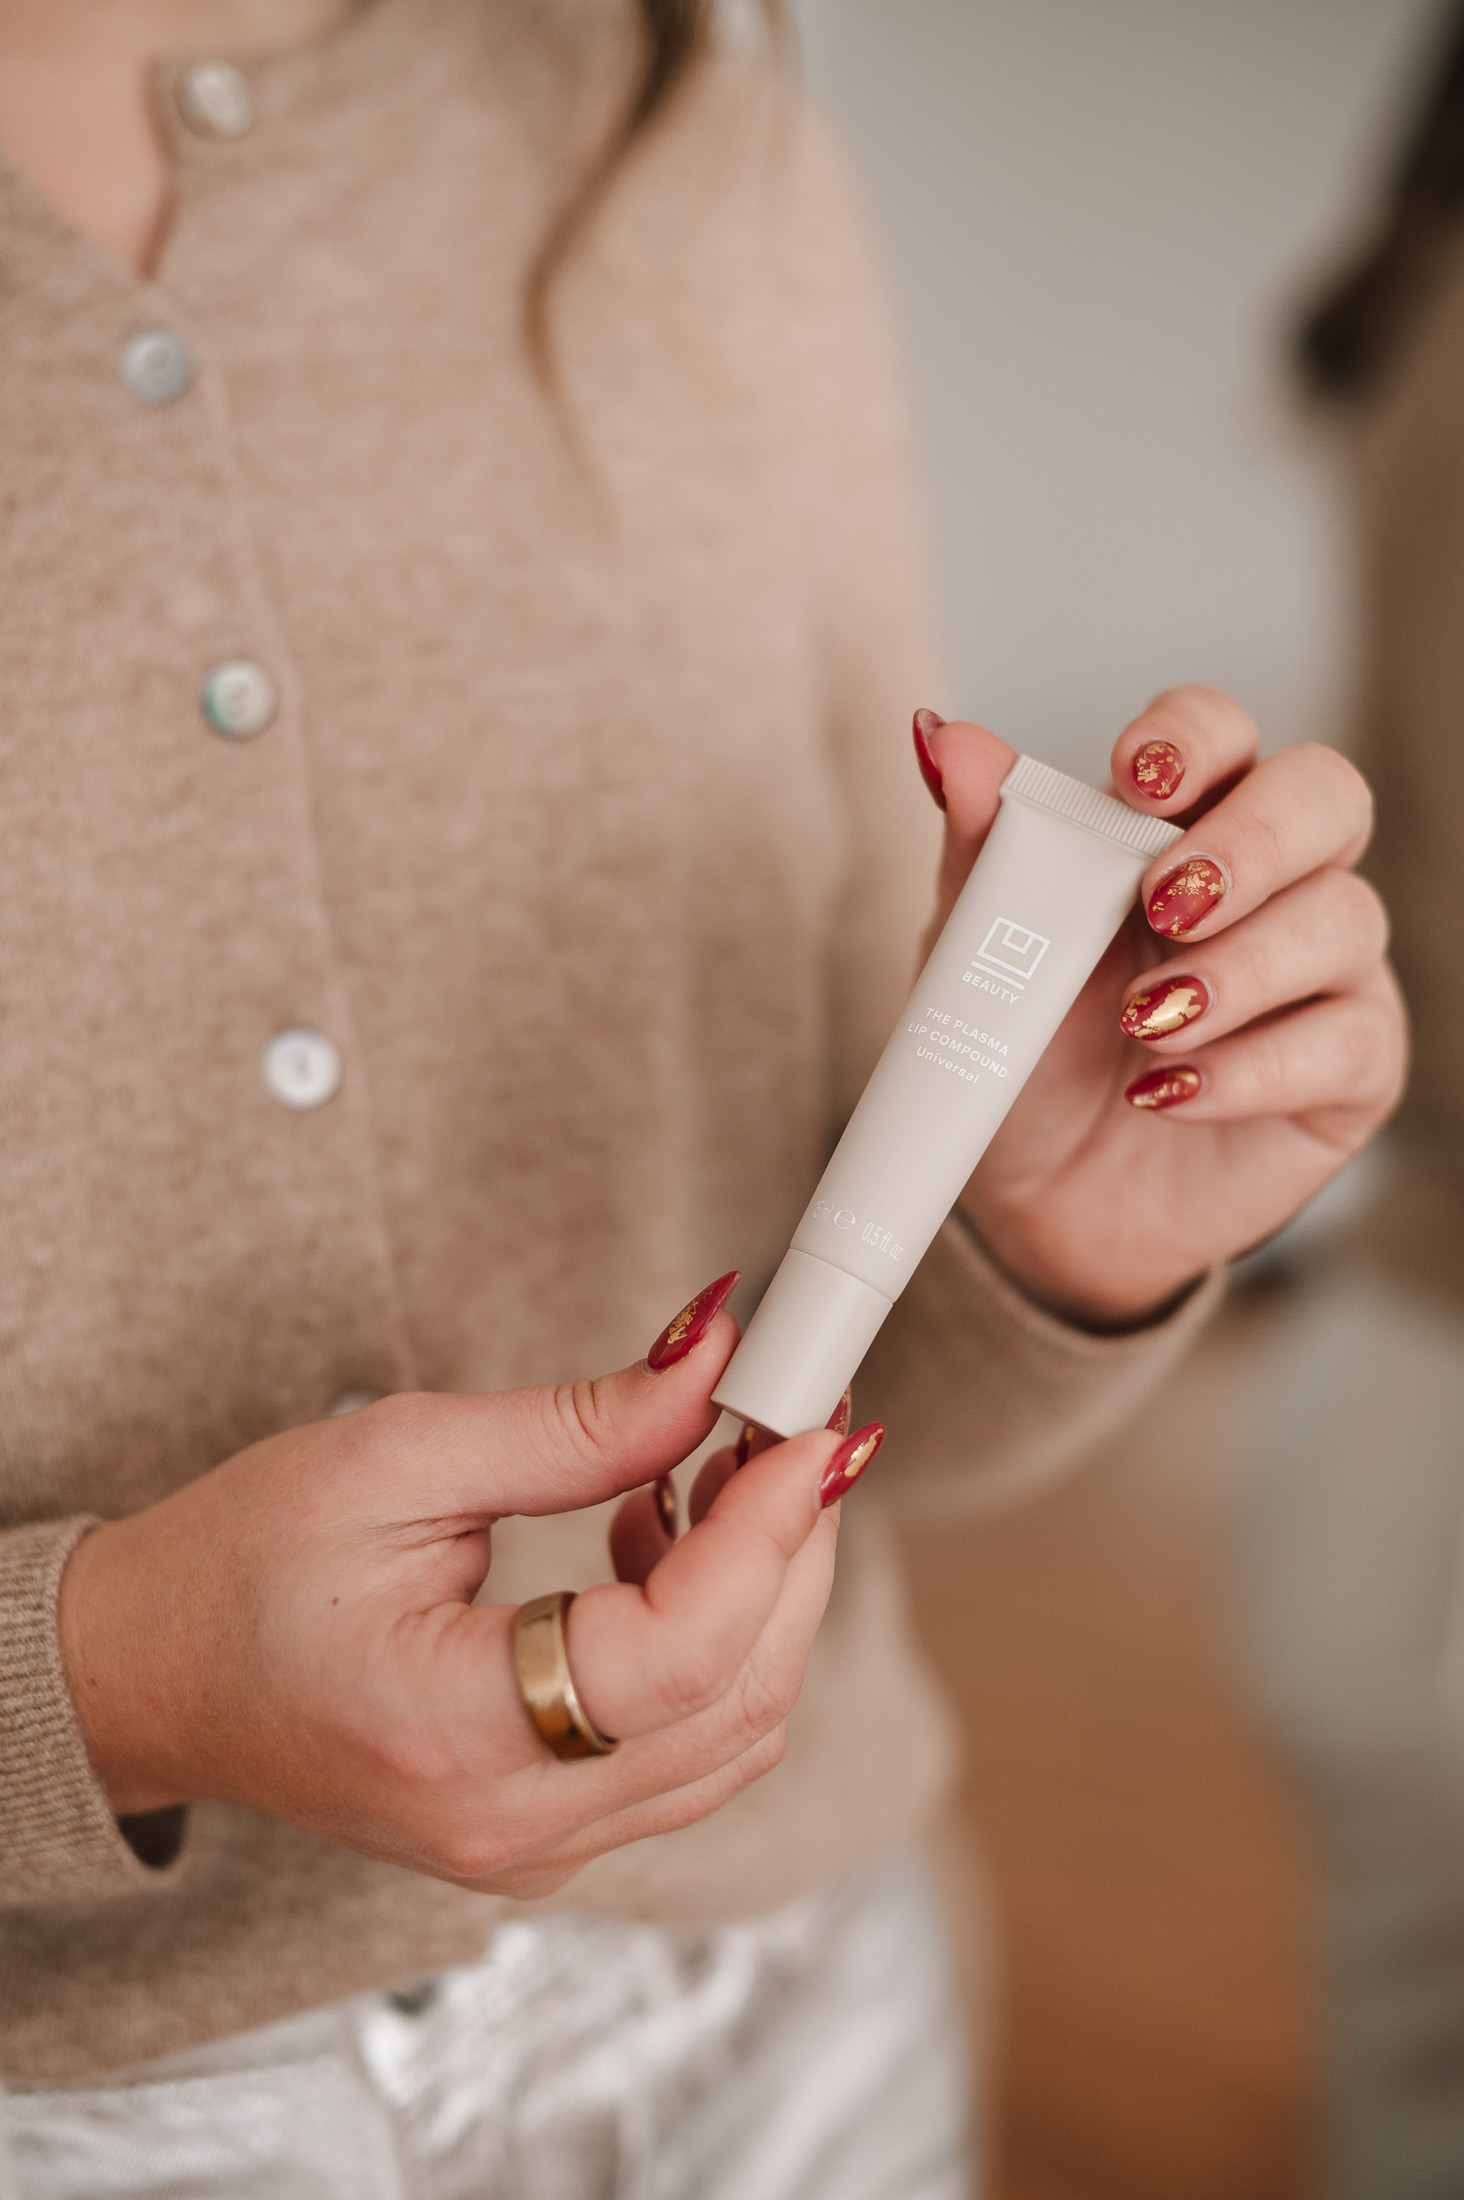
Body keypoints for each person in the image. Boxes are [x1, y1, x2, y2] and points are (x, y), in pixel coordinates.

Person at [0, 2, 1405, 2193]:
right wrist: (107, 1680)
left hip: (804, 2029)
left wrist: (1047, 1239)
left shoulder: (686, 138)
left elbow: (839, 1377)